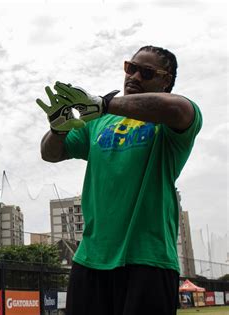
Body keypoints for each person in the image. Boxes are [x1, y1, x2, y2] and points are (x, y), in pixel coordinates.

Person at [37, 46, 202, 315]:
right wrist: (57, 129)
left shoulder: (170, 122)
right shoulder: (99, 122)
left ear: (166, 81)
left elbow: (179, 109)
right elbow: (50, 153)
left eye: (146, 72)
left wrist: (103, 103)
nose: (134, 76)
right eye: (130, 67)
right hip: (90, 259)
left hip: (149, 259)